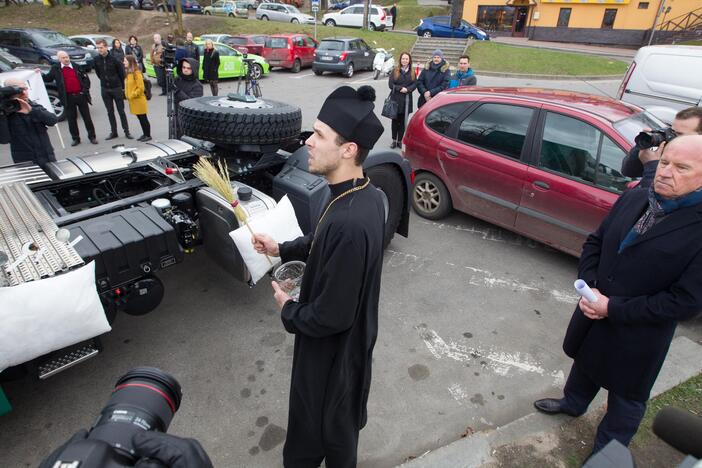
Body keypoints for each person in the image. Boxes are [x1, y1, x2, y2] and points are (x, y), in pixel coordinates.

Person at [533, 135, 702, 459]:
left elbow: (685, 301)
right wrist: (590, 284)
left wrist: (613, 308)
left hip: (638, 337)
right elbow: (595, 242)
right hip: (593, 314)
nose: (666, 172)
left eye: (682, 168)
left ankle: (605, 454)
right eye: (664, 162)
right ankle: (572, 404)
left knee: (625, 401)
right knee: (584, 367)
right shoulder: (636, 197)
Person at [251, 85, 386, 468]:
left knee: (320, 439)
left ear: (348, 149)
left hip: (332, 358)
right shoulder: (361, 193)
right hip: (345, 347)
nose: (308, 141)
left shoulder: (350, 221)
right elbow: (320, 239)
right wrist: (282, 248)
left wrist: (288, 309)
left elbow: (332, 316)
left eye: (319, 135)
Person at [621, 106, 702, 189]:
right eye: (672, 131)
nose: (672, 137)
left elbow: (662, 194)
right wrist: (642, 145)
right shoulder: (670, 148)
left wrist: (652, 164)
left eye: (680, 134)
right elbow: (628, 171)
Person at [42, 50, 97, 146]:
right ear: (59, 59)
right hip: (68, 97)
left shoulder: (76, 66)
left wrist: (84, 90)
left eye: (67, 57)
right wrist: (40, 74)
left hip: (80, 95)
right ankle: (76, 138)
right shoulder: (56, 68)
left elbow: (85, 79)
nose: (66, 59)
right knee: (72, 119)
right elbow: (48, 78)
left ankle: (92, 137)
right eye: (63, 58)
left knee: (87, 118)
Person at [0, 77, 57, 167]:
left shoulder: (33, 105)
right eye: (20, 89)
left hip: (47, 158)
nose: (25, 92)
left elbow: (52, 120)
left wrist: (31, 111)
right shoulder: (6, 111)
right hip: (26, 163)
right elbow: (4, 139)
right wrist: (2, 114)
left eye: (26, 88)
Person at [94, 39, 132, 140]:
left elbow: (121, 74)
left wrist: (122, 88)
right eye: (98, 48)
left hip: (116, 88)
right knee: (110, 111)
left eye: (101, 47)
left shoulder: (114, 59)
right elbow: (98, 73)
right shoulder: (96, 60)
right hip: (105, 89)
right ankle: (114, 132)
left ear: (106, 47)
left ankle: (127, 131)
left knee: (121, 111)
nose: (99, 50)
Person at [386, 51, 416, 150]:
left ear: (409, 60)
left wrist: (408, 89)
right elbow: (391, 85)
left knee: (403, 122)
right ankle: (394, 140)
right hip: (395, 100)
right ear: (400, 60)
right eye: (403, 58)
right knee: (395, 122)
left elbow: (414, 84)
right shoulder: (395, 70)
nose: (405, 60)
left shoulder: (412, 71)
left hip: (406, 101)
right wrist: (400, 88)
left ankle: (400, 141)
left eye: (406, 59)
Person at [124, 55, 152, 142]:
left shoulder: (137, 73)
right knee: (140, 118)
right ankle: (144, 134)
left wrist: (132, 95)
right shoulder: (128, 73)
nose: (123, 62)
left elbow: (141, 88)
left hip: (138, 100)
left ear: (130, 62)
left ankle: (148, 135)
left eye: (125, 61)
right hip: (133, 100)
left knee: (143, 118)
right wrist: (126, 94)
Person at [174, 57, 203, 138]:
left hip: (188, 119)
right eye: (184, 67)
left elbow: (191, 103)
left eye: (189, 68)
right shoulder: (177, 80)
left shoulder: (197, 85)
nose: (185, 70)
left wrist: (178, 91)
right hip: (176, 113)